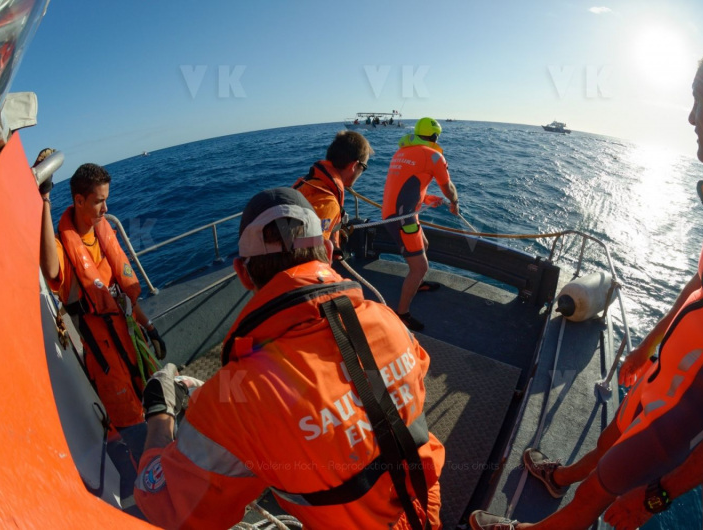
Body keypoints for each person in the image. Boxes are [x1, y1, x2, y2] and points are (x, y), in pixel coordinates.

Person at [470, 53, 703, 530]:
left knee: (596, 495)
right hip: (665, 372)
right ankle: (560, 478)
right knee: (611, 436)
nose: (690, 118)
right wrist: (648, 346)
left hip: (686, 412)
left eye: (697, 104)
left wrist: (659, 495)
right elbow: (702, 284)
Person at [134, 188, 445, 530]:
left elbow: (168, 508)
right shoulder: (387, 318)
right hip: (426, 506)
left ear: (242, 273)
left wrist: (160, 412)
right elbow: (408, 379)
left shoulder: (234, 402)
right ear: (328, 252)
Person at [40, 161, 166, 463]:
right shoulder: (63, 249)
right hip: (108, 365)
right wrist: (44, 200)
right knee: (141, 442)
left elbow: (122, 299)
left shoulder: (102, 235)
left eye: (106, 199)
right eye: (99, 201)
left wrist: (149, 327)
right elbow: (51, 269)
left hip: (133, 345)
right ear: (79, 200)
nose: (106, 208)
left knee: (160, 416)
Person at [382, 117, 460, 331]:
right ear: (435, 136)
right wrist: (454, 202)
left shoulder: (401, 152)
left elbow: (402, 186)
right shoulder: (433, 156)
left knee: (424, 245)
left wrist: (425, 199)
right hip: (403, 218)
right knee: (420, 267)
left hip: (395, 213)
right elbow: (448, 188)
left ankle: (418, 283)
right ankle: (402, 314)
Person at [293, 130, 373, 251]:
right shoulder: (327, 202)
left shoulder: (309, 183)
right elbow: (311, 252)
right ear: (354, 166)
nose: (362, 172)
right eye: (364, 167)